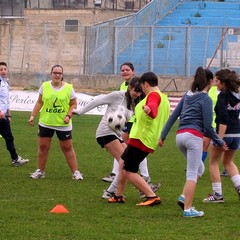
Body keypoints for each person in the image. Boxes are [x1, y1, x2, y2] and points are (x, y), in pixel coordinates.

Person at [159, 67, 227, 218]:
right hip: (193, 137)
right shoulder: (206, 99)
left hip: (180, 137)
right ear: (209, 81)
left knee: (199, 169)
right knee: (192, 174)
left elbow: (173, 116)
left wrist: (163, 135)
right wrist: (219, 141)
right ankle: (188, 209)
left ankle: (184, 197)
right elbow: (208, 127)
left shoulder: (187, 95)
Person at [72, 77, 143, 197]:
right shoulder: (118, 95)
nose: (137, 93)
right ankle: (133, 190)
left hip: (116, 134)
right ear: (129, 87)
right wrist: (80, 111)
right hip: (105, 132)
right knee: (125, 162)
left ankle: (114, 191)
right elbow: (98, 100)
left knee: (129, 161)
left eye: (140, 91)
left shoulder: (134, 102)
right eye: (135, 90)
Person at [108, 72, 170, 206]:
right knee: (122, 163)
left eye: (142, 87)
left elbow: (152, 108)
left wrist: (149, 109)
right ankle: (118, 195)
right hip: (146, 138)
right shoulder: (164, 98)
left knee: (129, 170)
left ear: (145, 84)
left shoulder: (153, 95)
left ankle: (151, 196)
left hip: (142, 138)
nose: (142, 90)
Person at [102, 63, 159, 197]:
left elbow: (144, 105)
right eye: (122, 70)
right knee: (125, 151)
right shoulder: (123, 86)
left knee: (130, 152)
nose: (124, 72)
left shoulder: (143, 87)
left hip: (135, 122)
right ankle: (117, 180)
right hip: (125, 121)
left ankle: (144, 177)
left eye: (127, 70)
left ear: (133, 72)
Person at [28, 64, 83, 180]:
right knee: (43, 147)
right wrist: (33, 115)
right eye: (55, 73)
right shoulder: (44, 86)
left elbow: (73, 104)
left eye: (59, 73)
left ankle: (75, 172)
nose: (57, 75)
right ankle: (40, 171)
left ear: (62, 75)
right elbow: (39, 102)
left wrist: (68, 115)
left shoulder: (69, 88)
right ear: (51, 74)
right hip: (45, 122)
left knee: (67, 147)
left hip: (63, 124)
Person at [203, 69, 240, 203]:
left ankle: (217, 194)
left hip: (225, 133)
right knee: (228, 162)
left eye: (217, 81)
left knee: (213, 162)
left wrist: (219, 139)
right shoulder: (237, 94)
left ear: (224, 83)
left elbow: (223, 119)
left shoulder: (223, 95)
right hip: (237, 133)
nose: (215, 83)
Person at [0, 61, 29, 166]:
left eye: (4, 69)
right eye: (1, 69)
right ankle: (15, 159)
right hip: (0, 116)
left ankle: (15, 159)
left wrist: (9, 114)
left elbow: (6, 101)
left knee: (9, 137)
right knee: (9, 137)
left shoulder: (6, 83)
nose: (3, 71)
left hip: (4, 116)